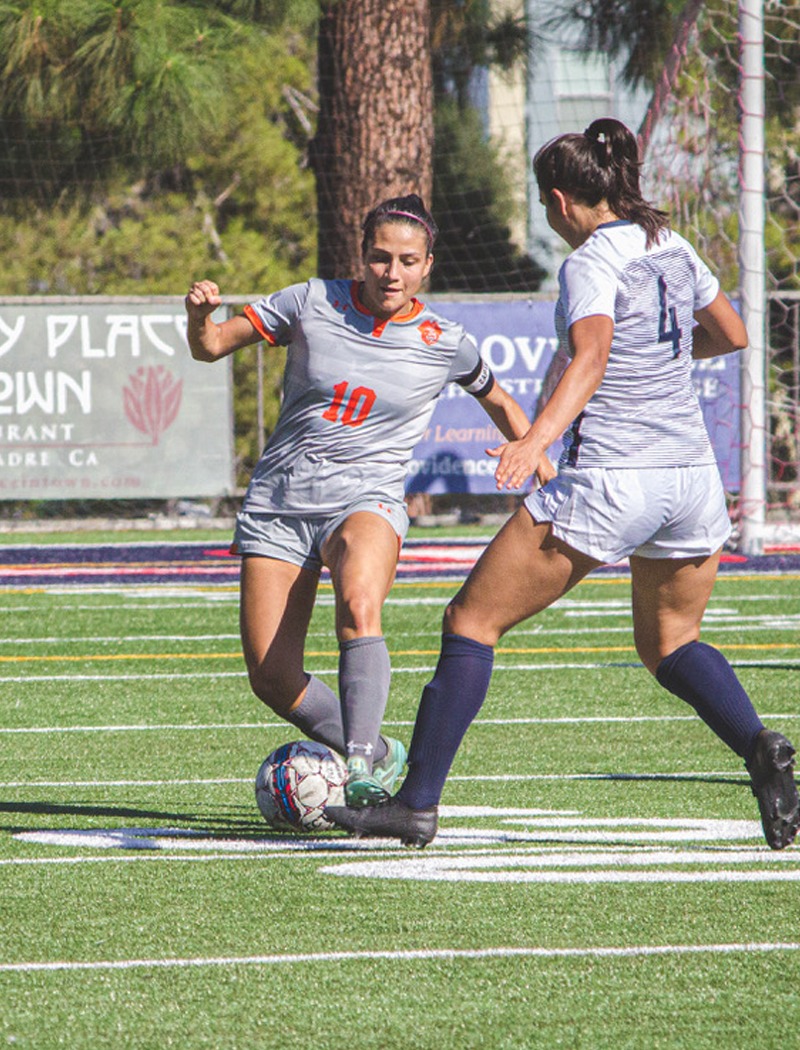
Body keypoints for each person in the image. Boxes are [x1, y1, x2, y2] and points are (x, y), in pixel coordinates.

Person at [326, 119, 800, 850]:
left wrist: (533, 441)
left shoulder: (589, 261)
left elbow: (593, 355)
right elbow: (732, 334)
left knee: (470, 623)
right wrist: (664, 358)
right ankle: (760, 747)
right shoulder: (671, 245)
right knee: (673, 642)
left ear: (558, 200)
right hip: (694, 481)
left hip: (614, 477)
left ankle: (415, 804)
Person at [185, 193, 537, 809]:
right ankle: (374, 746)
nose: (391, 273)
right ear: (362, 255)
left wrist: (537, 453)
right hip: (280, 503)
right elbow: (212, 345)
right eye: (379, 258)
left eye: (406, 260)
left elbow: (502, 403)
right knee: (270, 677)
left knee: (358, 602)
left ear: (428, 264)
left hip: (367, 499)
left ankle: (357, 769)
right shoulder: (309, 301)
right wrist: (199, 316)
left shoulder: (444, 341)